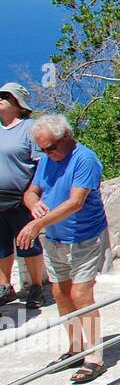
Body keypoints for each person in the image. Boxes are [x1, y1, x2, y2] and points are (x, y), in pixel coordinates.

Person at [17, 115, 110, 385]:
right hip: (56, 238)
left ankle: (95, 357)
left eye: (51, 148)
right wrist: (33, 204)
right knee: (60, 292)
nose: (47, 154)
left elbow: (76, 202)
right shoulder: (47, 159)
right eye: (42, 149)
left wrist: (37, 224)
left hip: (85, 236)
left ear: (67, 136)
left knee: (81, 294)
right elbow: (31, 192)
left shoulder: (85, 159)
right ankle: (75, 347)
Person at [0, 83, 47, 310]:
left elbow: (40, 163)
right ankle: (4, 286)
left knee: (28, 244)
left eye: (5, 96)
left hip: (21, 198)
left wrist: (34, 195)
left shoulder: (29, 129)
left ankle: (36, 287)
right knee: (1, 247)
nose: (0, 98)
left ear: (18, 104)